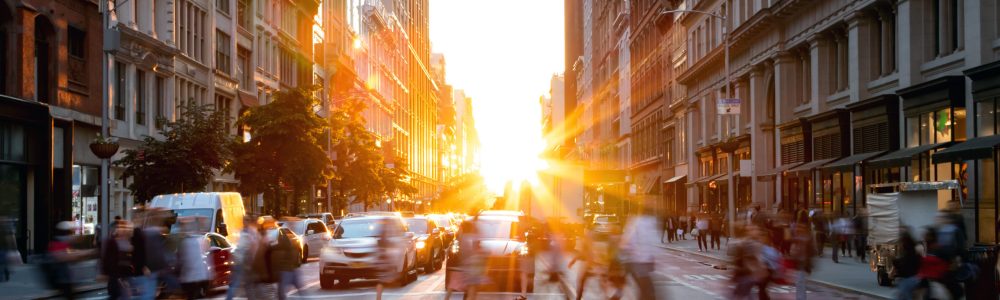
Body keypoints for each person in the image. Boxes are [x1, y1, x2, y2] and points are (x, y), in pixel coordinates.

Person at [620, 206, 658, 300]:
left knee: (645, 290)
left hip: (636, 262)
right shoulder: (645, 223)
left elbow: (626, 244)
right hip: (639, 263)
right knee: (647, 291)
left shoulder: (637, 222)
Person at [227, 215, 261, 300]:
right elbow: (252, 247)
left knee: (245, 284)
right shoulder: (249, 232)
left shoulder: (243, 231)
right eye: (245, 220)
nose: (245, 222)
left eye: (246, 220)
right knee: (242, 283)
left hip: (240, 260)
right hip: (244, 261)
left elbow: (239, 246)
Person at [101, 220, 137, 300]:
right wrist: (104, 272)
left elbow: (131, 258)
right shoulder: (112, 242)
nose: (123, 229)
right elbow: (106, 258)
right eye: (120, 227)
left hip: (126, 274)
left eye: (124, 227)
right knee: (118, 295)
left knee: (124, 295)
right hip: (116, 275)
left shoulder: (129, 241)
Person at [177, 217, 210, 299]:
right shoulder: (196, 240)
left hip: (191, 276)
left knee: (192, 295)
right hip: (197, 276)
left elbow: (183, 260)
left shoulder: (187, 242)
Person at [788, 223, 815, 300]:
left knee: (800, 283)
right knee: (799, 283)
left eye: (800, 228)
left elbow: (811, 252)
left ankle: (801, 298)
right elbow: (792, 251)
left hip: (803, 264)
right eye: (797, 228)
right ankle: (800, 298)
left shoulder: (806, 239)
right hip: (798, 264)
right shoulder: (796, 239)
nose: (798, 230)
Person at [893, 227, 921, 300]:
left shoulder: (909, 253)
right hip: (913, 279)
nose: (899, 244)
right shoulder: (913, 251)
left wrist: (894, 261)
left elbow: (904, 268)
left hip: (907, 280)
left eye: (900, 242)